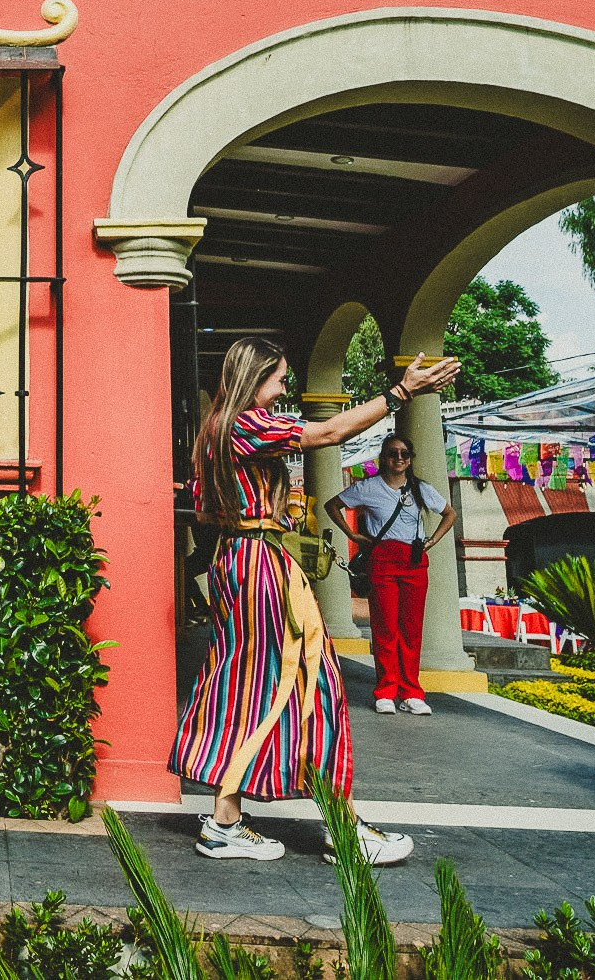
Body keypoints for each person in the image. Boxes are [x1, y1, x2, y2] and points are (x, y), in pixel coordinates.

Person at [171, 336, 459, 866]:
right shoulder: (246, 423)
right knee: (315, 682)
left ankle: (225, 821)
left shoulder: (213, 431)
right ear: (255, 377)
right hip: (262, 564)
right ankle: (341, 827)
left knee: (245, 687)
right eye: (279, 379)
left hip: (237, 560)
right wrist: (399, 393)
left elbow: (205, 508)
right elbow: (327, 432)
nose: (284, 390)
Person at [326, 433, 458, 716]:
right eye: (392, 453)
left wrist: (432, 540)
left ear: (410, 459)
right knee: (385, 627)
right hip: (383, 558)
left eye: (404, 454)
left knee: (412, 629)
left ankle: (411, 692)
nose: (399, 458)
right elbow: (332, 505)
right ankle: (386, 690)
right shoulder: (368, 487)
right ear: (382, 458)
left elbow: (450, 514)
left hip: (413, 559)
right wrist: (353, 535)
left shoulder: (420, 489)